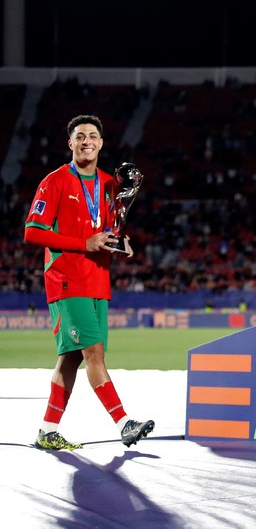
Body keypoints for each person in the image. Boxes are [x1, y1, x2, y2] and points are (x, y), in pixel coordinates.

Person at [23, 114, 154, 450]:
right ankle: (124, 423)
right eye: (80, 136)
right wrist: (85, 243)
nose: (86, 141)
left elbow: (108, 230)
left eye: (93, 136)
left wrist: (119, 244)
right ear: (70, 143)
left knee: (72, 357)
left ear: (101, 143)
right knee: (94, 353)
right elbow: (32, 232)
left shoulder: (111, 185)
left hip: (98, 279)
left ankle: (47, 430)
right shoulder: (54, 182)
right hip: (66, 279)